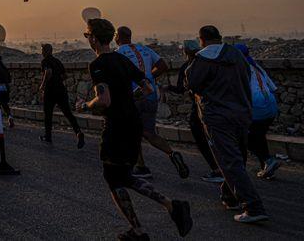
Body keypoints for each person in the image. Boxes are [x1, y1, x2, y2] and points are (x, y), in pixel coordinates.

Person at [83, 18, 192, 241]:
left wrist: (86, 105)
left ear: (93, 38)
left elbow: (103, 99)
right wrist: (129, 101)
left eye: (87, 36)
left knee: (113, 178)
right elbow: (147, 87)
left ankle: (144, 226)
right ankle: (167, 209)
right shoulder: (123, 60)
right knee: (123, 175)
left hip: (115, 127)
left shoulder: (98, 65)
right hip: (134, 123)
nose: (88, 39)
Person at [186, 26, 268, 224]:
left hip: (216, 116)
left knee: (228, 160)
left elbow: (192, 84)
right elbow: (246, 78)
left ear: (202, 40)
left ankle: (252, 206)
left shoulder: (201, 59)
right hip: (241, 113)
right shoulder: (237, 55)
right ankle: (229, 196)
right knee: (236, 157)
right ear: (220, 38)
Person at [115, 27, 188, 179]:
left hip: (133, 97)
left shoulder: (118, 53)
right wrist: (149, 79)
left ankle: (141, 166)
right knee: (148, 132)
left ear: (118, 37)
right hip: (151, 95)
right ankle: (172, 153)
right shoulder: (145, 49)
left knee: (132, 132)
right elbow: (163, 66)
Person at [164, 40, 223, 183]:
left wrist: (167, 88)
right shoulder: (209, 63)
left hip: (199, 106)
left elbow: (182, 88)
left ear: (185, 52)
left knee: (201, 139)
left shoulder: (187, 67)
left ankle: (216, 170)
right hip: (218, 104)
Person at [234, 43, 281, 180]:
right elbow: (273, 88)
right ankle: (266, 168)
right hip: (271, 106)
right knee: (259, 136)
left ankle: (268, 160)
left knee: (243, 138)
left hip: (256, 107)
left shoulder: (239, 68)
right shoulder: (256, 66)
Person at [39, 44, 85, 148]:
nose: (41, 52)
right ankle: (78, 132)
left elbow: (48, 72)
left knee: (48, 114)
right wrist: (58, 81)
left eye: (42, 50)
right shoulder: (58, 61)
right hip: (61, 90)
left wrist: (42, 85)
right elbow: (64, 76)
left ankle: (48, 136)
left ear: (47, 51)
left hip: (50, 91)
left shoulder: (45, 61)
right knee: (68, 113)